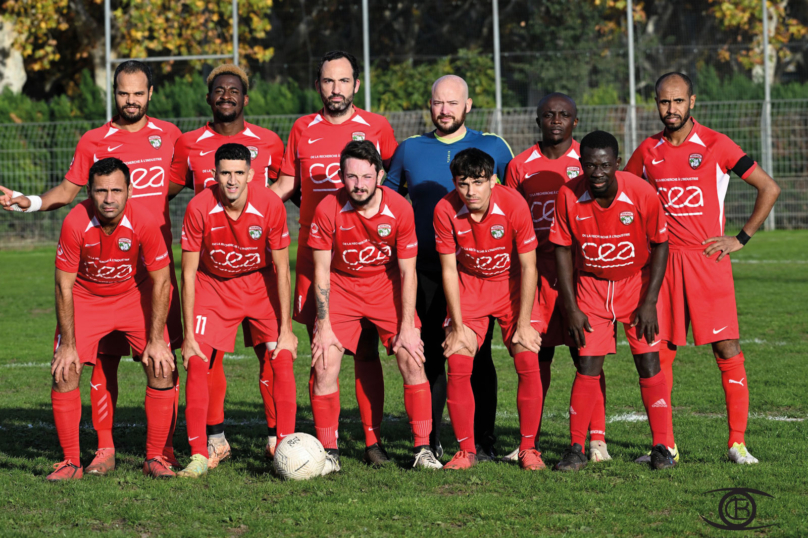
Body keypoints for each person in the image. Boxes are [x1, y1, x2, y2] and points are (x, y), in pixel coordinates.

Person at [0, 60, 183, 475]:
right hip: (96, 278)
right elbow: (68, 190)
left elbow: (184, 181)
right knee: (97, 364)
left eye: (138, 93)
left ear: (150, 93)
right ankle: (98, 452)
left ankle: (161, 453)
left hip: (145, 275)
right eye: (123, 93)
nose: (131, 100)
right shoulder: (94, 141)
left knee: (163, 360)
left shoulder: (169, 136)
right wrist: (27, 201)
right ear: (114, 93)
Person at [624, 72, 780, 464]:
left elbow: (769, 187)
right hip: (663, 263)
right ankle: (666, 446)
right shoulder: (647, 150)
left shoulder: (716, 144)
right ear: (656, 104)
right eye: (664, 102)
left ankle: (737, 443)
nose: (671, 109)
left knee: (727, 347)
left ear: (692, 101)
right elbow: (625, 192)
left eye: (678, 101)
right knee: (660, 353)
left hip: (708, 260)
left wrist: (740, 238)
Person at [271, 51, 399, 466]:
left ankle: (372, 442)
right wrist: (245, 203)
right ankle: (328, 447)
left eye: (343, 81)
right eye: (328, 81)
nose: (336, 89)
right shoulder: (302, 128)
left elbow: (391, 186)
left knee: (366, 353)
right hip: (317, 257)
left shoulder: (377, 128)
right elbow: (290, 184)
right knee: (324, 349)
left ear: (356, 85)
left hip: (369, 260)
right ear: (318, 86)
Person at [384, 75, 514, 460]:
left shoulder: (493, 146)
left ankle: (484, 439)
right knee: (432, 353)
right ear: (429, 105)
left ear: (468, 105)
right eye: (438, 103)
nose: (444, 110)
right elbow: (388, 200)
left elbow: (512, 202)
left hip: (476, 271)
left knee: (479, 353)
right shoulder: (409, 150)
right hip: (424, 268)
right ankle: (433, 440)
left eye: (452, 103)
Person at [168, 63, 286, 467]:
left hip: (259, 272)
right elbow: (161, 192)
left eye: (233, 90)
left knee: (273, 356)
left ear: (245, 97)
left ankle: (279, 440)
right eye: (219, 90)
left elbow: (292, 185)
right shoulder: (188, 144)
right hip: (214, 277)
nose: (226, 96)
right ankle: (212, 441)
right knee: (206, 358)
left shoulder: (270, 141)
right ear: (209, 97)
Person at [308, 140, 443, 474]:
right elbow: (321, 270)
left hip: (387, 288)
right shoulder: (328, 207)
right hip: (341, 288)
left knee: (412, 356)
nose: (359, 184)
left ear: (380, 175)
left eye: (367, 176)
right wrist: (322, 325)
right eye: (352, 177)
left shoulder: (399, 208)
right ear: (342, 176)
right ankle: (329, 452)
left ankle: (422, 449)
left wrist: (409, 326)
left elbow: (408, 271)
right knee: (324, 361)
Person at [549, 131, 675, 472]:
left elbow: (661, 244)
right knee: (587, 366)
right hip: (590, 287)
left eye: (605, 164)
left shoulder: (641, 193)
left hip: (635, 286)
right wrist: (570, 306)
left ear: (617, 163)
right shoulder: (568, 195)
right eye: (590, 165)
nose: (598, 172)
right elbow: (561, 247)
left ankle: (662, 448)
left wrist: (649, 302)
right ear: (581, 165)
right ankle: (576, 448)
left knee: (649, 364)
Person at [47, 157, 175, 480]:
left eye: (116, 190)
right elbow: (63, 285)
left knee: (161, 365)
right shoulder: (75, 222)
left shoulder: (144, 220)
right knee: (65, 370)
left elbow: (162, 280)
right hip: (86, 298)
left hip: (134, 295)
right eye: (101, 191)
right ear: (88, 191)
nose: (109, 198)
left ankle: (155, 457)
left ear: (129, 191)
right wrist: (68, 345)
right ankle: (71, 462)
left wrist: (157, 340)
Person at [178, 143, 297, 478]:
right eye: (225, 173)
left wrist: (286, 329)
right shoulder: (199, 206)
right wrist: (188, 336)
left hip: (260, 285)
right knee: (198, 360)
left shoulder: (270, 205)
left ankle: (283, 446)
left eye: (238, 173)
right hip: (213, 286)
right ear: (215, 174)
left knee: (281, 357)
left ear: (251, 174)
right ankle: (203, 450)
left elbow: (283, 268)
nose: (232, 180)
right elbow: (187, 272)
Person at [503, 93, 609, 464]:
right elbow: (510, 218)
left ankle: (597, 440)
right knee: (536, 354)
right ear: (538, 120)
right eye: (549, 114)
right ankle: (527, 441)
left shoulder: (589, 163)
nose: (556, 120)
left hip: (581, 276)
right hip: (537, 273)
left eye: (564, 114)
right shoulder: (519, 166)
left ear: (575, 122)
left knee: (588, 358)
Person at [433, 148, 545, 470]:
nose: (471, 191)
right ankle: (466, 451)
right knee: (458, 356)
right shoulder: (445, 210)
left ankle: (528, 450)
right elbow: (449, 270)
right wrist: (455, 325)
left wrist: (523, 323)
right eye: (463, 183)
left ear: (493, 180)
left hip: (511, 286)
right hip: (470, 287)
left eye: (478, 182)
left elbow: (528, 266)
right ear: (454, 183)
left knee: (526, 351)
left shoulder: (514, 205)